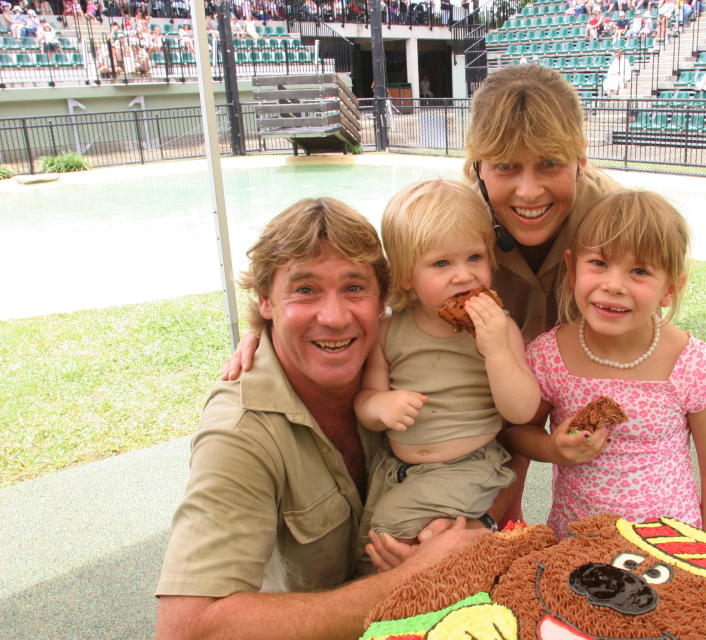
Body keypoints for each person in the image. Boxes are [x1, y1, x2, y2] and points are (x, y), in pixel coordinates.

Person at [222, 64, 624, 538]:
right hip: (453, 434)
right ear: (478, 166)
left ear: (581, 157)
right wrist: (269, 327)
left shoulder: (613, 227)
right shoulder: (457, 221)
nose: (529, 190)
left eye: (550, 164)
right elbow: (375, 272)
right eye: (506, 166)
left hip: (542, 383)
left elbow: (639, 309)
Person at [156, 199, 484, 640]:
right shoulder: (240, 431)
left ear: (383, 299)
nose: (334, 318)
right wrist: (408, 580)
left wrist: (461, 529)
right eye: (305, 290)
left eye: (354, 288)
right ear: (266, 301)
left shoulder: (404, 359)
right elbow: (187, 630)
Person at [506, 189, 706, 540]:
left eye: (639, 271)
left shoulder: (691, 364)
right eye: (598, 263)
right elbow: (518, 432)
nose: (613, 285)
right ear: (571, 268)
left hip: (668, 549)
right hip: (574, 544)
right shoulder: (550, 356)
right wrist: (553, 449)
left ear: (670, 288)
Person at [355, 179, 539, 541]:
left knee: (390, 531)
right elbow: (366, 398)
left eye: (474, 257)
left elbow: (522, 411)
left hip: (469, 467)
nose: (464, 274)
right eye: (441, 263)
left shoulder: (499, 329)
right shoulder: (388, 331)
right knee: (367, 542)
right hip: (398, 469)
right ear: (406, 276)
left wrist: (497, 350)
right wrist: (381, 405)